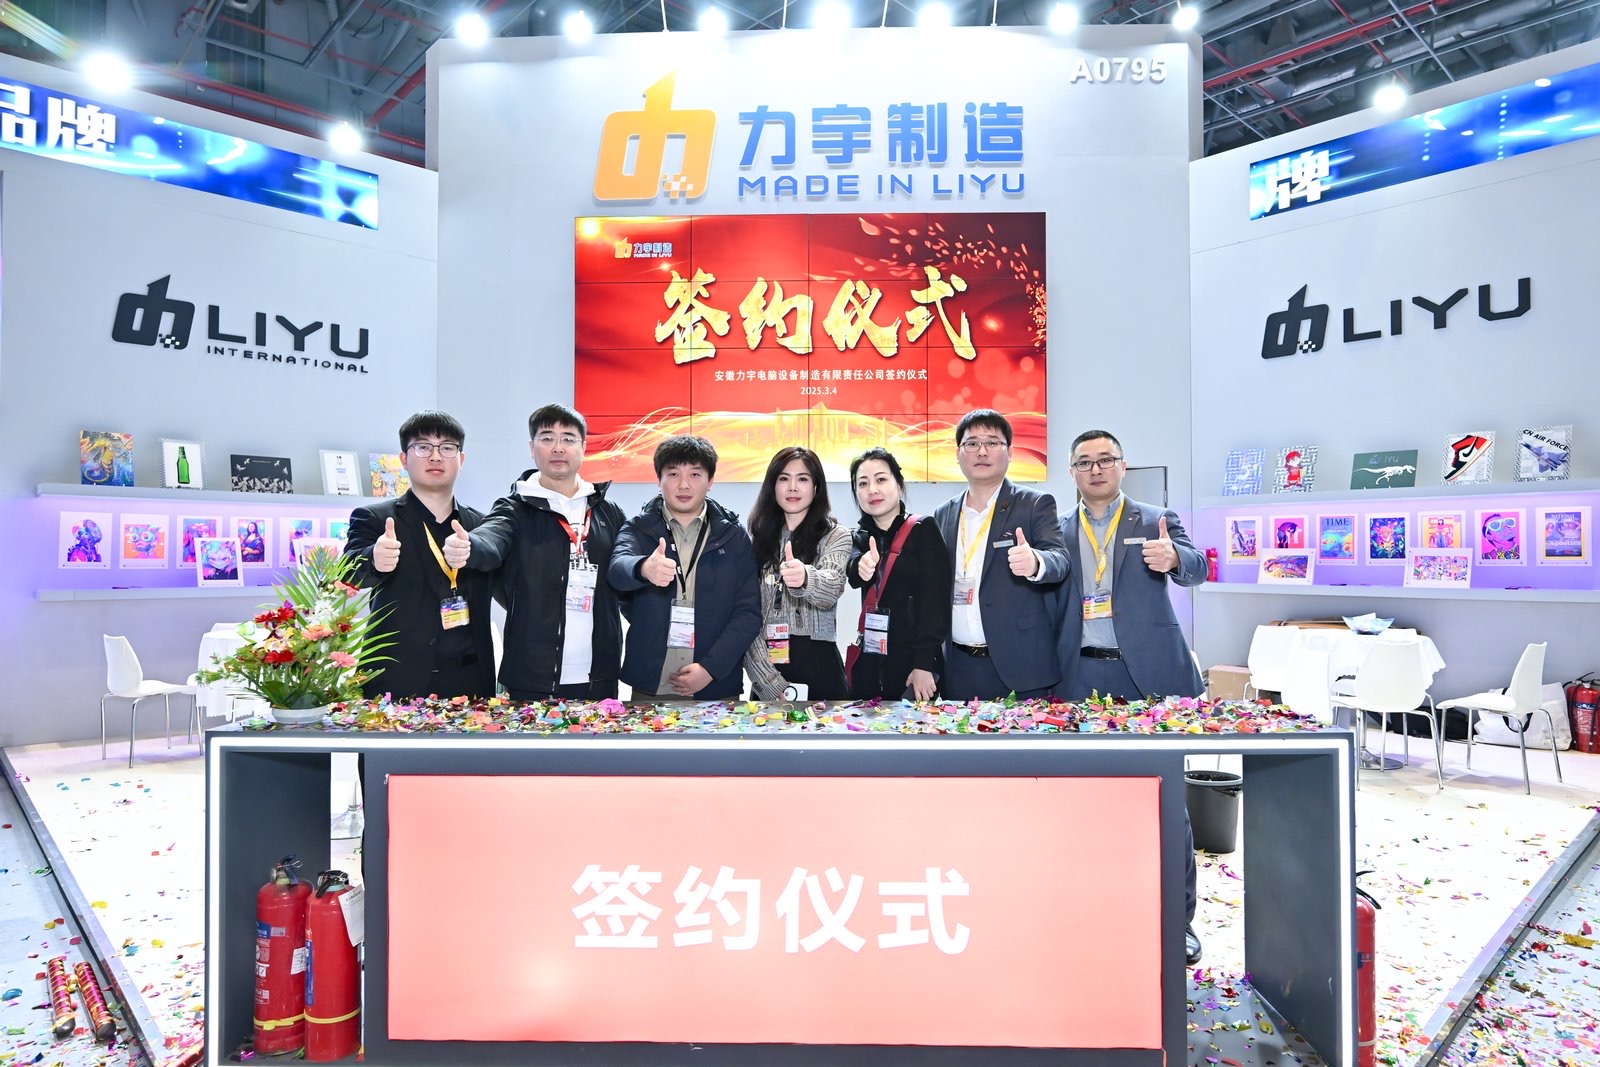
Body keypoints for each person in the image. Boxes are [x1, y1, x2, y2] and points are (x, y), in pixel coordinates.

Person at [1054, 428, 1207, 965]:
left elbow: (1198, 568)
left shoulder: (1155, 519)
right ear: (1071, 472)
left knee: (1167, 803)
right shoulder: (1057, 528)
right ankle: (1094, 907)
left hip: (1148, 682)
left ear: (1123, 466)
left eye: (1105, 459)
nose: (1095, 469)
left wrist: (1175, 558)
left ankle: (1178, 920)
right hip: (1078, 679)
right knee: (1083, 801)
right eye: (1084, 462)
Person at [443, 404, 625, 701]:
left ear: (583, 447)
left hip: (600, 674)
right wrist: (470, 547)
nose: (558, 447)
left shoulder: (608, 511)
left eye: (568, 439)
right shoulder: (515, 507)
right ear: (532, 448)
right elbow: (492, 537)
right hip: (531, 676)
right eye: (547, 438)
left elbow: (627, 564)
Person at [343, 411, 495, 701]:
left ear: (461, 459)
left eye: (447, 448)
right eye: (423, 447)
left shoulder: (482, 526)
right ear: (403, 459)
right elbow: (347, 573)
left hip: (470, 681)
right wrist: (373, 559)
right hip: (395, 679)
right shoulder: (375, 518)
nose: (435, 457)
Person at [608, 435, 761, 701]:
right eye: (673, 474)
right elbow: (617, 570)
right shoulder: (638, 528)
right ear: (659, 480)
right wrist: (644, 567)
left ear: (710, 481)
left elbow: (748, 613)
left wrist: (710, 669)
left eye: (695, 474)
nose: (684, 484)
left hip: (715, 687)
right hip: (651, 686)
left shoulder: (733, 536)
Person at [934, 409, 1070, 700]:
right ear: (958, 454)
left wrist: (1036, 562)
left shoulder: (1034, 504)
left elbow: (1060, 559)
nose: (982, 451)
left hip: (1021, 666)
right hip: (958, 667)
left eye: (992, 442)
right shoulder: (943, 513)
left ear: (1010, 453)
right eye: (972, 443)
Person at [742, 447, 851, 702]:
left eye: (802, 479)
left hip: (822, 669)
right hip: (768, 670)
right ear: (773, 487)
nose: (793, 487)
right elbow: (746, 618)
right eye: (784, 478)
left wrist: (805, 578)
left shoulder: (836, 536)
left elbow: (832, 586)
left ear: (816, 487)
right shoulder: (757, 541)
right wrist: (770, 684)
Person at [844, 447, 951, 702]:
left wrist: (924, 663)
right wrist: (860, 566)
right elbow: (852, 570)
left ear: (899, 484)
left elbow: (936, 602)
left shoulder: (923, 529)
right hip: (870, 664)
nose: (872, 490)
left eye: (881, 479)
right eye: (863, 483)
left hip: (913, 667)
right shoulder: (858, 537)